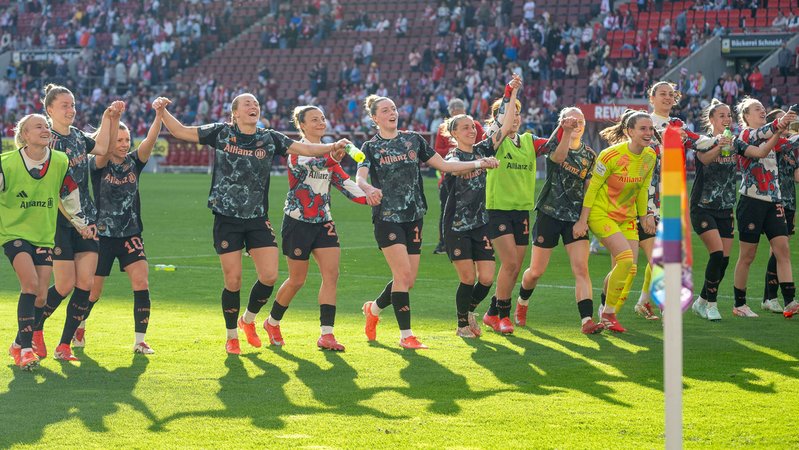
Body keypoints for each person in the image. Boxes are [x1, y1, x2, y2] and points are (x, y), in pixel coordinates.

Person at [156, 93, 351, 354]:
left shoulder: (268, 137)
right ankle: (232, 335)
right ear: (235, 112)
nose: (254, 106)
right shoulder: (221, 133)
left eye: (256, 104)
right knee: (233, 280)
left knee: (269, 276)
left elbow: (302, 148)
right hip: (227, 218)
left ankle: (248, 319)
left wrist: (331, 147)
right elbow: (180, 131)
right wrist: (161, 111)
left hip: (258, 218)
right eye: (247, 103)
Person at [357, 94, 498, 349]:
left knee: (408, 280)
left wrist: (480, 162)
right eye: (386, 110)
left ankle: (374, 309)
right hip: (387, 218)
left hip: (414, 217)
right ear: (375, 118)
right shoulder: (371, 147)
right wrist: (367, 188)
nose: (392, 113)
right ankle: (406, 336)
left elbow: (444, 165)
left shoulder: (414, 140)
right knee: (402, 275)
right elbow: (361, 177)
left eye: (394, 108)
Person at [261, 105, 367, 351]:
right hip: (297, 222)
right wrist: (333, 155)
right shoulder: (295, 152)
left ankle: (326, 334)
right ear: (302, 125)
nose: (321, 122)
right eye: (315, 119)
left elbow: (344, 181)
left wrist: (372, 195)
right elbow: (316, 165)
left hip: (324, 221)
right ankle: (272, 322)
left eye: (323, 118)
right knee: (297, 280)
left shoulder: (330, 155)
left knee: (332, 275)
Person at [33, 84, 122, 362]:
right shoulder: (46, 142)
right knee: (64, 285)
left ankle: (64, 345)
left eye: (73, 105)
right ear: (49, 110)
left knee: (86, 283)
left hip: (87, 220)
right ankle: (33, 329)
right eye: (64, 105)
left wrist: (110, 118)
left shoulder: (77, 136)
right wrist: (75, 219)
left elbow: (104, 147)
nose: (71, 110)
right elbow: (53, 186)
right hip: (59, 221)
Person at [76, 101, 165, 353]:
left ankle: (139, 340)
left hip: (131, 235)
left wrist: (159, 115)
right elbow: (102, 150)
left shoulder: (135, 162)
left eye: (127, 140)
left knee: (141, 282)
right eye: (120, 140)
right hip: (102, 236)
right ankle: (79, 326)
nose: (125, 144)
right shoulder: (98, 164)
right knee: (94, 293)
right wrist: (114, 119)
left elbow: (149, 140)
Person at [3, 114, 91, 370]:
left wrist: (81, 224)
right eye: (38, 126)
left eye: (46, 126)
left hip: (43, 235)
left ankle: (18, 344)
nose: (45, 129)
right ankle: (27, 351)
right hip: (14, 234)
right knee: (29, 285)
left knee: (41, 297)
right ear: (25, 135)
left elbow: (70, 194)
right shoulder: (6, 164)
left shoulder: (60, 161)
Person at [515, 107, 604, 334]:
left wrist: (583, 221)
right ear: (562, 122)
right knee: (536, 271)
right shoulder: (554, 144)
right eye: (571, 120)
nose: (577, 124)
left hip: (574, 219)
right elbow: (559, 158)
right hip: (549, 213)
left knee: (581, 269)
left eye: (580, 120)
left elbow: (589, 191)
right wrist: (564, 132)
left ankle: (587, 321)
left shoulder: (590, 156)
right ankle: (522, 303)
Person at [690, 99, 782, 321]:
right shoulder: (704, 141)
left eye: (728, 116)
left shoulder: (736, 141)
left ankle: (701, 300)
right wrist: (719, 145)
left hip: (726, 208)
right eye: (721, 116)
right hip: (703, 207)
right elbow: (704, 160)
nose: (726, 119)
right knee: (717, 253)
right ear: (711, 119)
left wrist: (777, 132)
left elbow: (759, 153)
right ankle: (711, 305)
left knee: (723, 261)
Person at [574, 110, 657, 333]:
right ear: (629, 131)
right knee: (626, 258)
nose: (648, 133)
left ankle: (604, 305)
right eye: (643, 128)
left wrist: (643, 217)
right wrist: (583, 221)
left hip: (627, 217)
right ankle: (609, 313)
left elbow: (641, 190)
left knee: (629, 268)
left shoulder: (650, 157)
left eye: (650, 128)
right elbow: (592, 189)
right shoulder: (610, 155)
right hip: (602, 213)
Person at [481, 75, 550, 335]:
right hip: (498, 209)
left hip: (521, 210)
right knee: (509, 263)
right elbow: (503, 120)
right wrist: (510, 92)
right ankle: (503, 315)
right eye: (510, 113)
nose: (515, 117)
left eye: (518, 114)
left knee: (515, 267)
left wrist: (567, 127)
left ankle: (490, 313)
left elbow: (556, 147)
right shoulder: (494, 140)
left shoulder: (528, 141)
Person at [730, 98, 797, 317]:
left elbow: (790, 142)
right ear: (746, 116)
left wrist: (782, 130)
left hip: (774, 201)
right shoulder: (744, 135)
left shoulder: (771, 135)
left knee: (782, 250)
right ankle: (739, 304)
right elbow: (759, 151)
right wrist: (780, 125)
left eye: (763, 108)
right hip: (751, 202)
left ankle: (790, 302)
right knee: (747, 255)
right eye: (756, 109)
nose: (762, 111)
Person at [439, 114, 496, 338]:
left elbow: (502, 127)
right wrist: (480, 163)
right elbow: (454, 168)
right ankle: (462, 325)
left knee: (487, 278)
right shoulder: (452, 155)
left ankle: (469, 311)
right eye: (465, 128)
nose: (471, 130)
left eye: (473, 127)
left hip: (480, 224)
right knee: (468, 278)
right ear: (454, 134)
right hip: (456, 225)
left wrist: (512, 94)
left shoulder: (482, 149)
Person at [432, 98, 485, 255]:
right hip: (449, 176)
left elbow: (482, 144)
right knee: (447, 210)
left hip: (474, 177)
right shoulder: (444, 128)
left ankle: (479, 240)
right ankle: (443, 242)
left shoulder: (475, 126)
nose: (456, 115)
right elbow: (437, 151)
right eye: (454, 114)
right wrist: (454, 151)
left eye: (459, 112)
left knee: (479, 206)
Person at [759, 108, 799, 317]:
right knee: (778, 250)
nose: (787, 121)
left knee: (779, 250)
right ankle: (771, 297)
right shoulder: (776, 144)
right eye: (782, 119)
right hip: (774, 200)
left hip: (789, 201)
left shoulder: (791, 146)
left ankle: (770, 296)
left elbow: (796, 175)